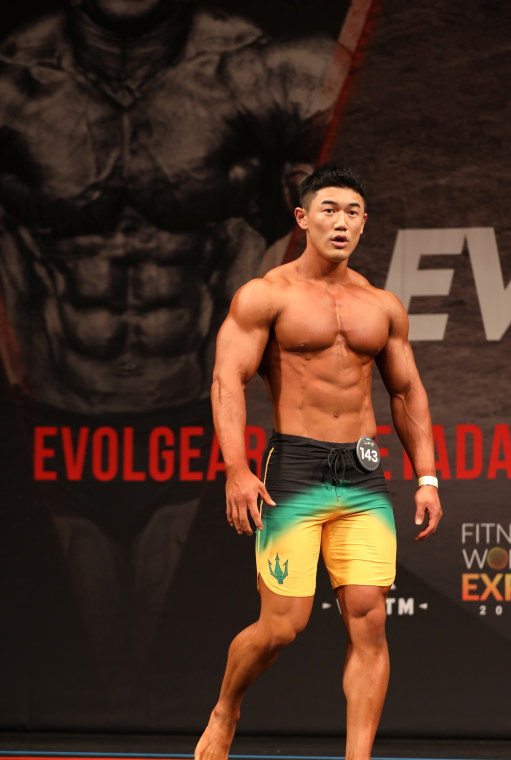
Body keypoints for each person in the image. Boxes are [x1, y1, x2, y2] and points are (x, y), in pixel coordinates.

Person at [0, 0, 346, 676]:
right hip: (54, 433)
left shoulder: (261, 78)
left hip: (197, 430)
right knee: (86, 673)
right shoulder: (16, 85)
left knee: (178, 669)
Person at [194, 164, 442, 760]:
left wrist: (427, 476)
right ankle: (226, 708)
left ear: (364, 223)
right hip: (295, 470)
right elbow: (227, 383)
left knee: (370, 620)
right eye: (329, 209)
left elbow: (406, 391)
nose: (342, 222)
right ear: (303, 218)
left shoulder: (381, 305)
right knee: (282, 626)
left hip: (362, 472)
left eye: (353, 212)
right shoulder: (265, 296)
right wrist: (236, 468)